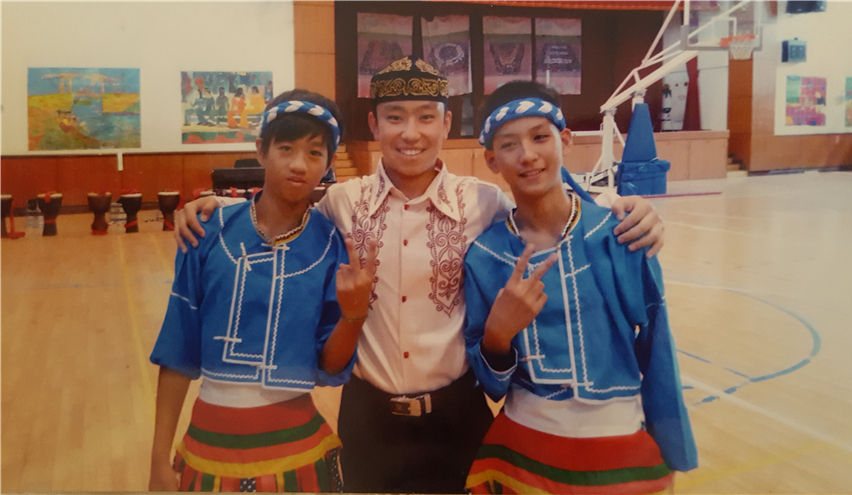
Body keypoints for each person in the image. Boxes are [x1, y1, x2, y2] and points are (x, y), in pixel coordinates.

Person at [173, 56, 666, 494]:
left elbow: (546, 208)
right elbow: (282, 213)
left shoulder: (484, 202)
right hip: (367, 419)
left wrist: (618, 204)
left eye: (426, 117)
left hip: (458, 415)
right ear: (374, 124)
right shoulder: (341, 204)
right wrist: (217, 206)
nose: (411, 133)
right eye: (395, 117)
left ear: (446, 123)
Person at [462, 81, 697, 494]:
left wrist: (672, 445)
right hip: (524, 450)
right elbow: (491, 385)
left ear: (566, 140)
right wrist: (498, 334)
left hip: (621, 445)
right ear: (492, 160)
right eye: (510, 144)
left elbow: (657, 346)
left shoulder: (621, 235)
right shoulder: (484, 256)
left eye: (540, 137)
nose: (527, 155)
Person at [149, 88, 378, 492]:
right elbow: (177, 352)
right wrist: (157, 461)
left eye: (314, 153)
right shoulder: (205, 232)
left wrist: (354, 314)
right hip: (208, 446)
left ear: (328, 164)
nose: (298, 164)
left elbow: (330, 366)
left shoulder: (333, 248)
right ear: (261, 150)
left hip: (298, 451)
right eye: (285, 148)